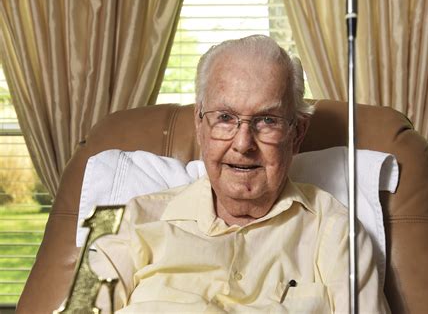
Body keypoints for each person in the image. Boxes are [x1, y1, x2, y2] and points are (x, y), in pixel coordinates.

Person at [91, 35, 390, 313]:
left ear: (297, 133)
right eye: (224, 118)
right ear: (199, 123)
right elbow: (79, 305)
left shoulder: (339, 235)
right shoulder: (125, 220)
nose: (243, 143)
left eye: (267, 120)